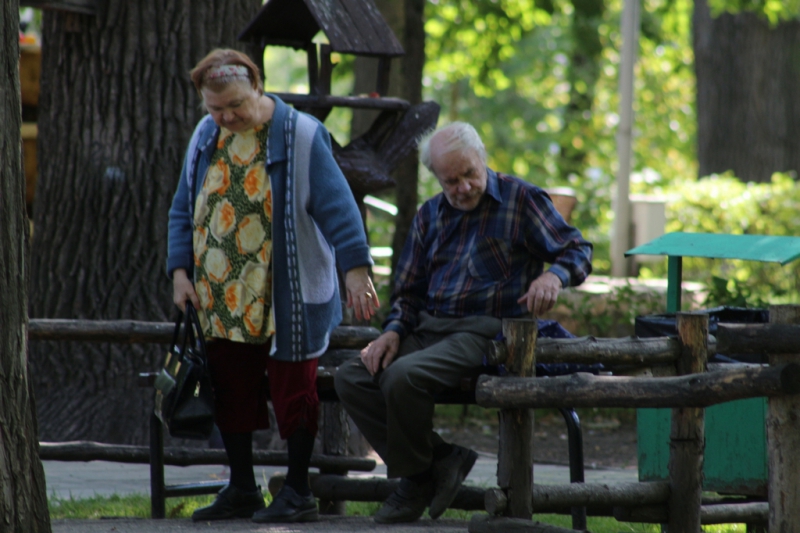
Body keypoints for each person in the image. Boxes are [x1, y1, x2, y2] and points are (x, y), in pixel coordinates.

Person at [334, 122, 593, 524]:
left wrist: (552, 276)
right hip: (428, 326)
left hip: (487, 331)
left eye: (470, 174)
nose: (463, 187)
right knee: (352, 377)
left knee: (403, 377)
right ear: (437, 178)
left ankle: (414, 480)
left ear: (482, 159)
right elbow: (408, 291)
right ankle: (435, 464)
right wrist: (391, 332)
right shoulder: (429, 215)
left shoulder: (521, 199)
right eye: (450, 180)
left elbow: (577, 248)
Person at [166, 49, 379, 524]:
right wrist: (181, 272)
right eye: (215, 108)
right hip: (222, 295)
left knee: (292, 390)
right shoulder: (206, 136)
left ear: (258, 88)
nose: (226, 116)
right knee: (231, 387)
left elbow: (339, 206)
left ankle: (298, 491)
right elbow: (183, 206)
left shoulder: (301, 135)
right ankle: (242, 488)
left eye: (236, 105)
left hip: (289, 293)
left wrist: (356, 270)